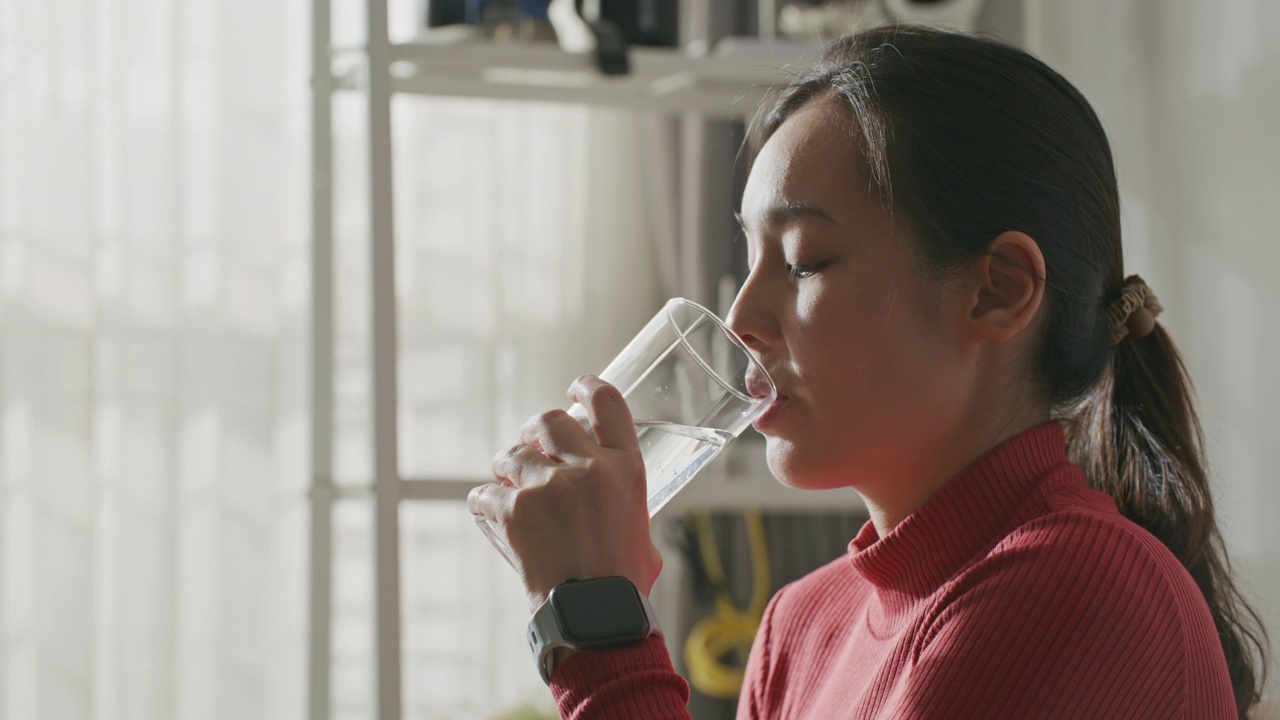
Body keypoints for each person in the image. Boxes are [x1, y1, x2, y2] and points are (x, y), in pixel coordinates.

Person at [467, 25, 1268, 719]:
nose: (742, 318)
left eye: (805, 261)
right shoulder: (799, 627)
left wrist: (596, 621)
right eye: (748, 257)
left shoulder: (1085, 591)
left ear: (1000, 291)